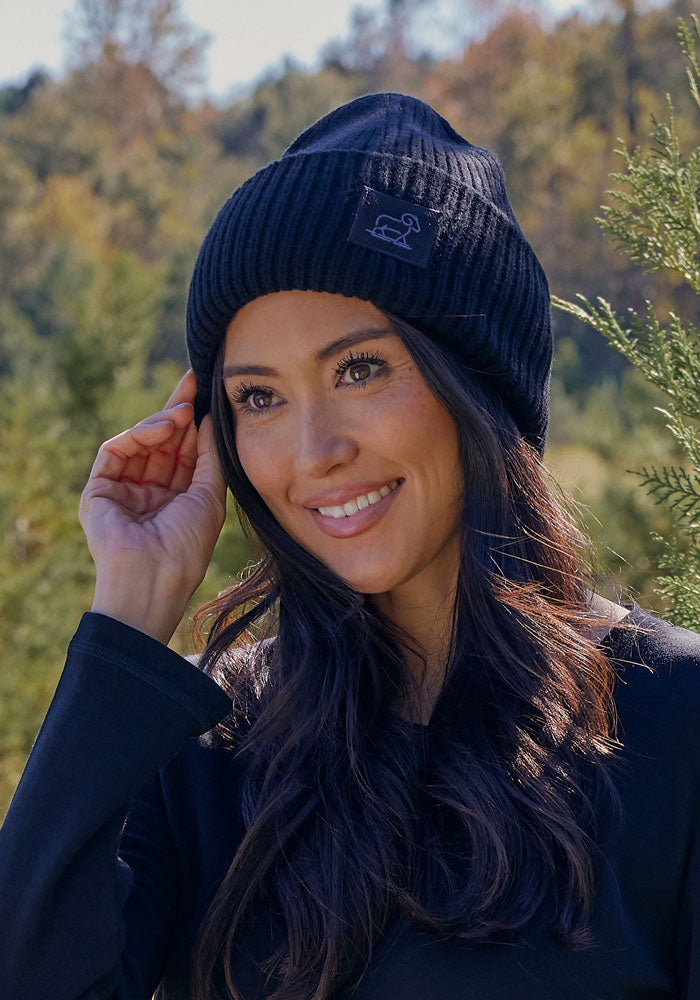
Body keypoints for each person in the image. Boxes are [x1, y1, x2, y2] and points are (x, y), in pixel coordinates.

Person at [0, 92, 699, 1000]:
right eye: (258, 397)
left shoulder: (676, 722)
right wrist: (129, 610)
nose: (312, 452)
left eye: (360, 370)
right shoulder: (210, 751)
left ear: (479, 388)